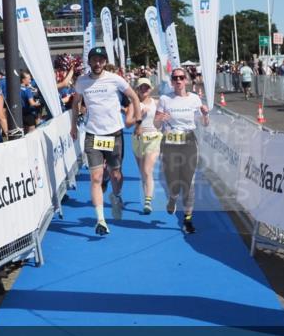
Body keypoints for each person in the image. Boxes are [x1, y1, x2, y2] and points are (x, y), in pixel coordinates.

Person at [70, 47, 140, 236]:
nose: (98, 63)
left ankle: (116, 197)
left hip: (113, 134)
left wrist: (138, 122)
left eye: (101, 60)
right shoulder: (82, 81)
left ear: (105, 62)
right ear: (89, 62)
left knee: (115, 174)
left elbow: (134, 97)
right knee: (96, 178)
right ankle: (101, 220)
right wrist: (73, 126)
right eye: (94, 60)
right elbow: (75, 102)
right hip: (93, 134)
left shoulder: (115, 79)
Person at [155, 68, 209, 234]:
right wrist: (160, 119)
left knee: (189, 182)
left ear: (186, 80)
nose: (178, 81)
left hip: (188, 141)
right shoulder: (165, 99)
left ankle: (188, 219)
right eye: (175, 78)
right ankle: (172, 198)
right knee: (173, 182)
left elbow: (204, 123)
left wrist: (206, 115)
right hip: (170, 142)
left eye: (181, 78)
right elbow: (156, 124)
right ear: (171, 81)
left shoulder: (194, 99)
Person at [130, 78, 161, 215]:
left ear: (151, 89)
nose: (144, 89)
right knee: (143, 172)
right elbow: (127, 123)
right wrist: (139, 118)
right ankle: (146, 197)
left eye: (147, 87)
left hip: (153, 137)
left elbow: (164, 119)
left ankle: (148, 201)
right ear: (137, 89)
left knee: (148, 170)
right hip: (137, 139)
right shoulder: (134, 104)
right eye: (141, 87)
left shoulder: (157, 103)